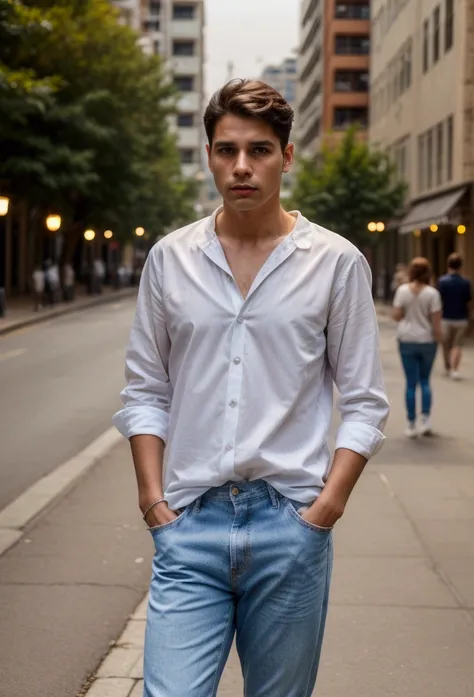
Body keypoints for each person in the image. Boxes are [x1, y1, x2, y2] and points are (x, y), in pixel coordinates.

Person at [113, 79, 389, 697]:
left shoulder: (336, 262)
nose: (242, 166)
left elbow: (365, 401)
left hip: (288, 525)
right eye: (226, 150)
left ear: (287, 157)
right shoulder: (169, 258)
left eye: (260, 150)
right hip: (189, 527)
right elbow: (144, 391)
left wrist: (324, 511)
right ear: (209, 154)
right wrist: (154, 504)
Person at [392, 257, 442, 438]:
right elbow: (436, 322)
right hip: (427, 340)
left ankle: (411, 423)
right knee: (425, 381)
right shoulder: (432, 293)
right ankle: (425, 420)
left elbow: (396, 316)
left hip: (406, 339)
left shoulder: (402, 291)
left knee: (411, 383)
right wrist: (438, 338)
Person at [438, 253, 472, 380]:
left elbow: (438, 301)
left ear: (448, 265)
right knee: (457, 345)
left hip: (445, 318)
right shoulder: (466, 282)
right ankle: (455, 369)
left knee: (446, 345)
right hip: (461, 318)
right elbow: (469, 302)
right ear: (461, 266)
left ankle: (447, 367)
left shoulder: (442, 281)